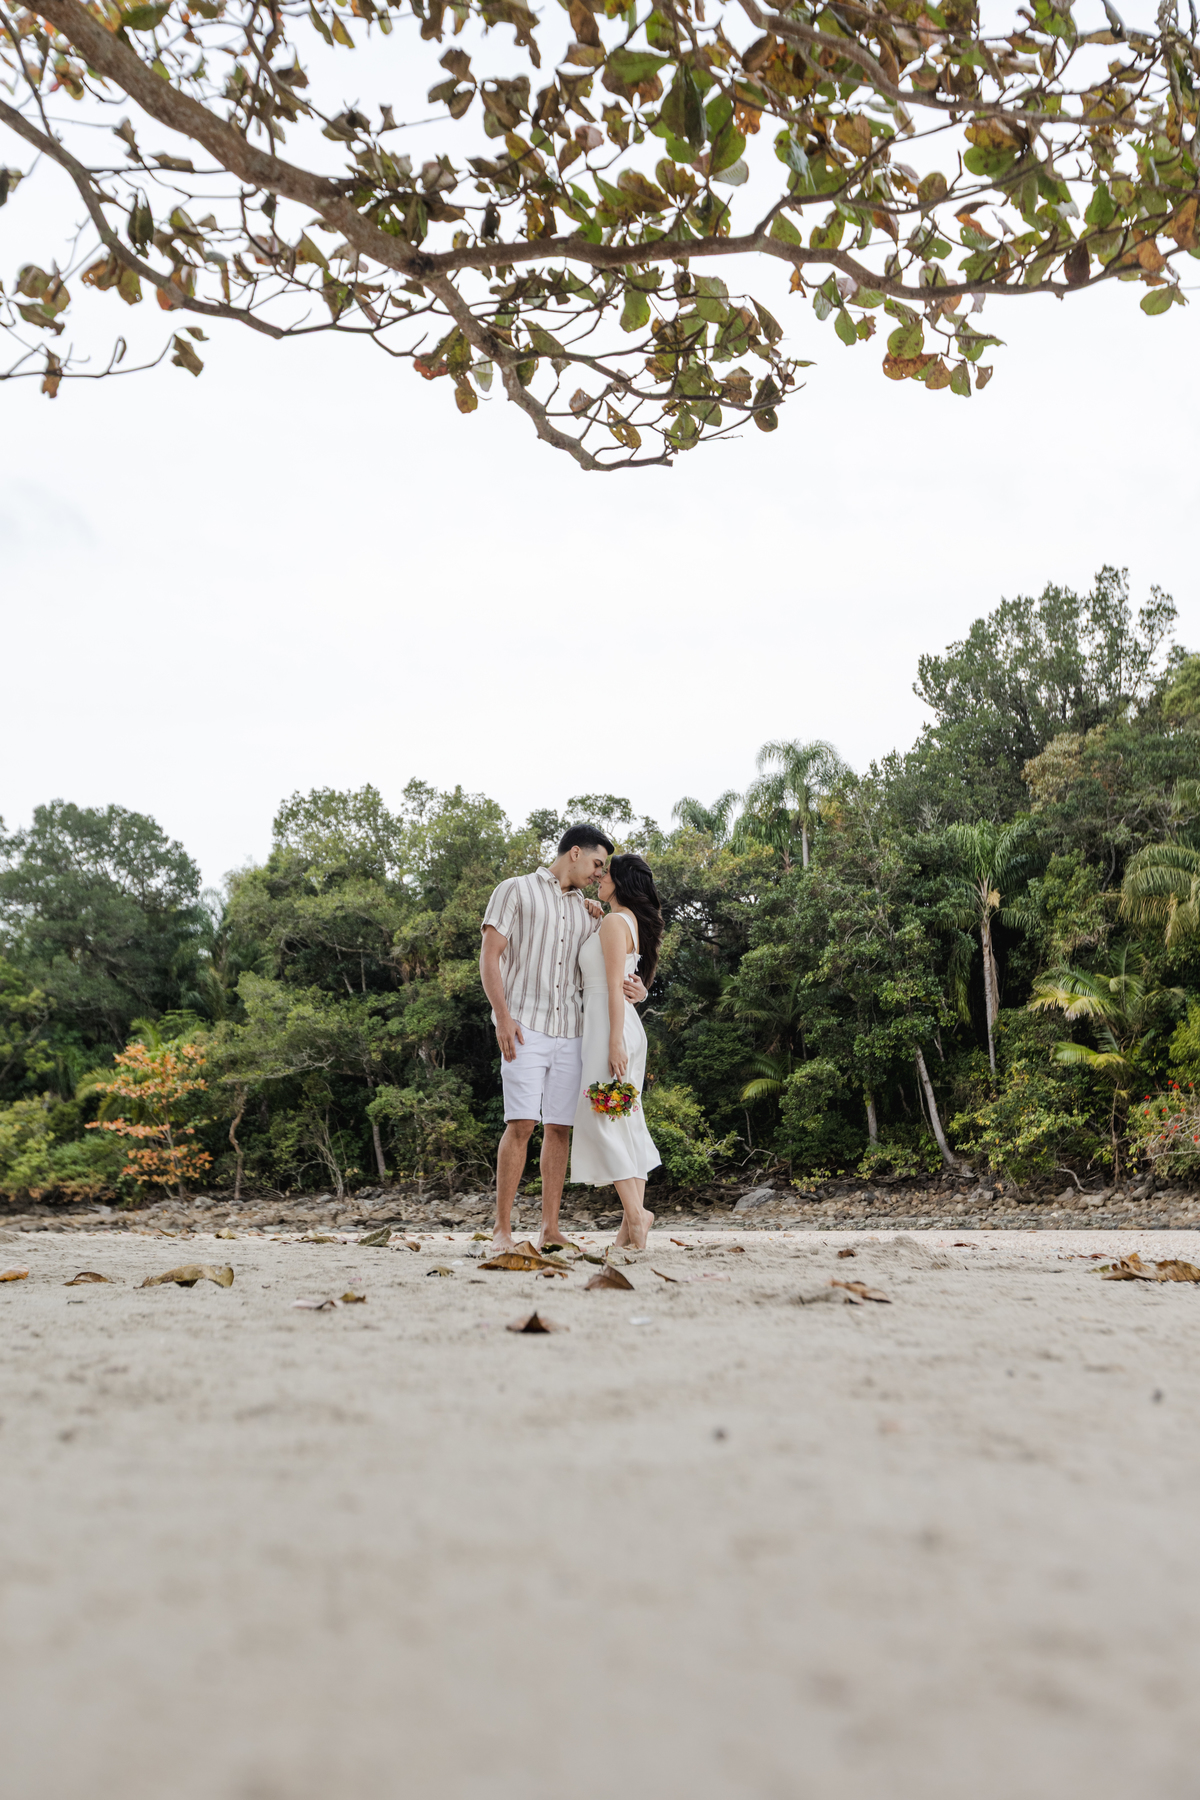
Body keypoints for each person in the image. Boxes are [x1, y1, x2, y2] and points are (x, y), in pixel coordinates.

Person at [479, 825, 647, 1251]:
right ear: (574, 852)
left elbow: (611, 964)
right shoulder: (514, 890)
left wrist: (639, 988)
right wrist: (501, 1016)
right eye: (596, 863)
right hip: (524, 1026)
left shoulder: (590, 912)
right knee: (520, 1123)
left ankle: (550, 1230)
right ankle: (502, 1230)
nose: (598, 872)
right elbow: (490, 956)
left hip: (573, 1032)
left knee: (559, 1129)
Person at [570, 853, 663, 1251]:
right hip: (617, 1026)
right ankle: (630, 1229)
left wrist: (613, 1042)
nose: (598, 878)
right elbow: (625, 982)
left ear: (622, 882)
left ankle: (638, 1216)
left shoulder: (613, 922)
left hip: (611, 1030)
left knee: (603, 1118)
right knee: (624, 1122)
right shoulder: (623, 922)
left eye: (605, 873)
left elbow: (611, 987)